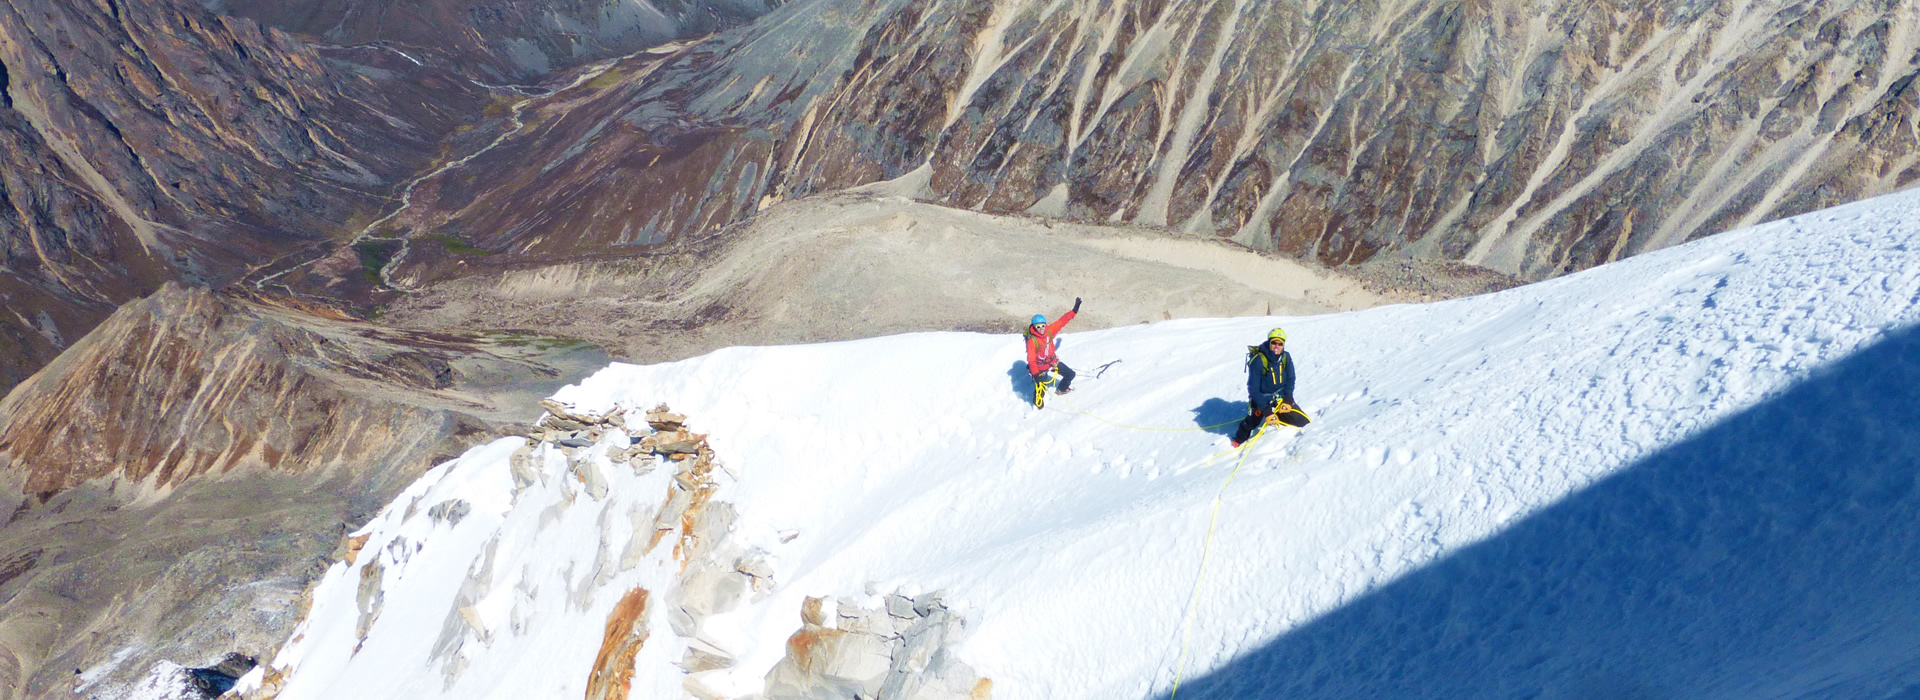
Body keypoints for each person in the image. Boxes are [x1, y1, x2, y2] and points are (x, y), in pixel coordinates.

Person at [1232, 327, 1309, 446]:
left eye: (1280, 343)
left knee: (1302, 420)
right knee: (1252, 422)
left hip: (1280, 397)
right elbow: (1253, 389)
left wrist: (1288, 399)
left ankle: (1279, 415)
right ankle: (1238, 439)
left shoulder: (1285, 357)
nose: (1276, 346)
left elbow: (1290, 378)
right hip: (1261, 399)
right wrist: (1266, 411)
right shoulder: (1259, 360)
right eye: (1274, 342)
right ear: (1269, 342)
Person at [1026, 298, 1081, 405]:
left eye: (1043, 325)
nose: (1041, 328)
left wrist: (1074, 310)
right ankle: (1037, 403)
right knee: (1040, 390)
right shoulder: (1032, 341)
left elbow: (1062, 321)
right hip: (1040, 368)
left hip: (1052, 362)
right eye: (1038, 326)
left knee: (1070, 374)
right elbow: (1031, 360)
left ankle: (1062, 389)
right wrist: (1036, 375)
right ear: (1034, 327)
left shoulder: (1049, 331)